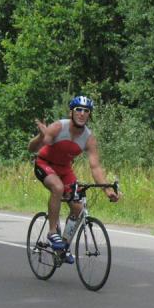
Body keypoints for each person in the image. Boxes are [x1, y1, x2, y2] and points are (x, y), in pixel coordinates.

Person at [28, 95, 119, 260]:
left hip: (64, 170)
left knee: (78, 207)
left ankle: (62, 249)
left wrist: (107, 190)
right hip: (44, 163)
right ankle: (52, 232)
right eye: (79, 110)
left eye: (86, 111)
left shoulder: (89, 138)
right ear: (71, 112)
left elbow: (95, 167)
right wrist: (40, 137)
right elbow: (32, 148)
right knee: (57, 188)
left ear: (89, 115)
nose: (82, 113)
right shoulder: (58, 127)